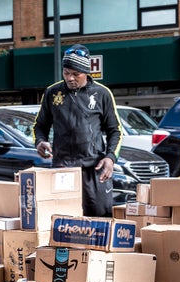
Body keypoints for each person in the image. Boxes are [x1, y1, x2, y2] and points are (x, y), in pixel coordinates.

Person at [33, 44, 123, 217]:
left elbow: (116, 131)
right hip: (62, 169)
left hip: (93, 169)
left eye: (76, 74)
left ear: (86, 72)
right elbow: (39, 125)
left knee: (99, 219)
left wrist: (110, 157)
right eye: (66, 73)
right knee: (63, 220)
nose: (70, 78)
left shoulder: (102, 94)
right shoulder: (52, 93)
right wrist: (39, 141)